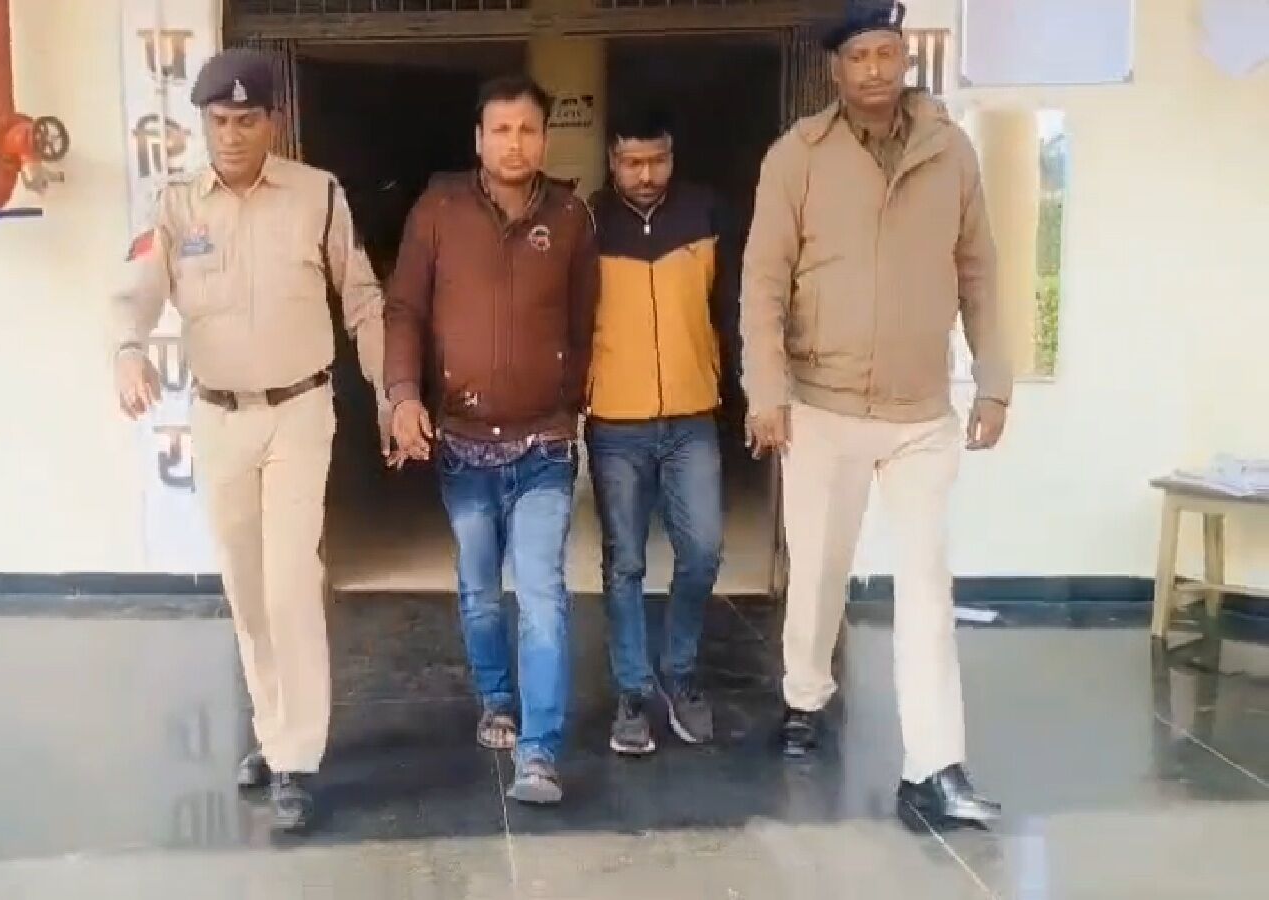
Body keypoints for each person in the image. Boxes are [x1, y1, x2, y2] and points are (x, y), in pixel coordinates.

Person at [739, 0, 1011, 826]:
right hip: (822, 406)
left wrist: (994, 380)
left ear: (904, 57)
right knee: (819, 570)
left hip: (920, 412)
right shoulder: (797, 157)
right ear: (835, 68)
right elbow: (762, 283)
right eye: (858, 57)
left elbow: (980, 271)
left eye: (886, 53)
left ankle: (935, 766)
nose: (873, 70)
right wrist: (766, 391)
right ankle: (804, 694)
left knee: (926, 585)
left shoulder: (949, 152)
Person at [110, 48, 392, 833]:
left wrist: (389, 393)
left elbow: (363, 298)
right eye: (219, 121)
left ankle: (296, 757)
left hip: (300, 410)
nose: (232, 136)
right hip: (219, 416)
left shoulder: (317, 196)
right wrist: (128, 350)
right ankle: (273, 731)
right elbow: (135, 292)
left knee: (290, 579)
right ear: (203, 123)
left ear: (274, 122)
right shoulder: (176, 207)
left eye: (247, 120)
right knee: (246, 583)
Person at [384, 74, 600, 805]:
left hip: (544, 446)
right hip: (463, 445)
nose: (515, 143)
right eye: (501, 130)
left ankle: (539, 751)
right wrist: (404, 395)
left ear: (545, 139)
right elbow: (404, 309)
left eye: (528, 130)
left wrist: (569, 403)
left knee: (541, 592)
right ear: (478, 139)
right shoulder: (438, 210)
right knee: (480, 590)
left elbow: (584, 322)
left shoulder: (570, 217)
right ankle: (497, 699)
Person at [585, 105, 732, 756]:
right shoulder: (588, 222)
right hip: (615, 421)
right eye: (631, 162)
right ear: (611, 160)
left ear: (673, 155)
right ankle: (632, 692)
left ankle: (679, 671)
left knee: (702, 550)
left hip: (692, 416)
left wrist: (741, 390)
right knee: (625, 562)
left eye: (657, 160)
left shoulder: (706, 212)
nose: (645, 175)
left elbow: (729, 307)